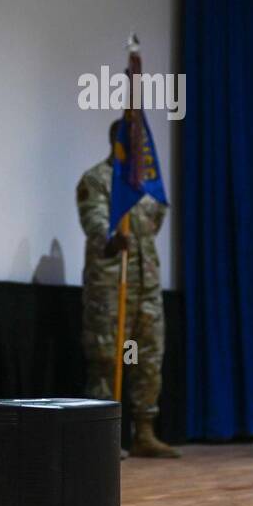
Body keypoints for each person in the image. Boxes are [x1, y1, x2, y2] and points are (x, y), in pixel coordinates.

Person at [77, 119, 178, 457]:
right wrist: (111, 236)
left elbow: (157, 219)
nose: (140, 151)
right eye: (133, 145)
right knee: (107, 358)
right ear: (117, 144)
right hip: (110, 286)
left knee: (149, 357)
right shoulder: (96, 180)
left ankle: (144, 431)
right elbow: (94, 223)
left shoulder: (147, 187)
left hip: (146, 285)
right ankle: (103, 435)